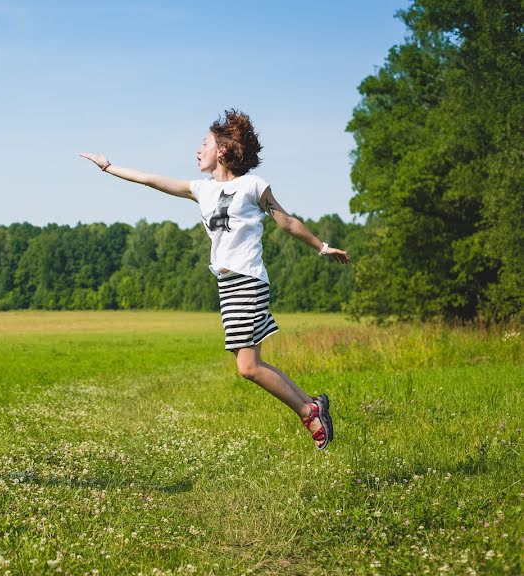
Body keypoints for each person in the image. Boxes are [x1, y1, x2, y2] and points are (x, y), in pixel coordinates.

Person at [80, 109, 349, 449]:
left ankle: (309, 411)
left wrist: (322, 247)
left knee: (247, 367)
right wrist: (108, 167)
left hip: (248, 279)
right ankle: (313, 406)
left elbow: (287, 222)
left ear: (222, 150)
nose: (197, 150)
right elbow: (150, 179)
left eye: (203, 143)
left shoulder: (253, 186)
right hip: (227, 284)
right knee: (251, 363)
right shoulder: (200, 190)